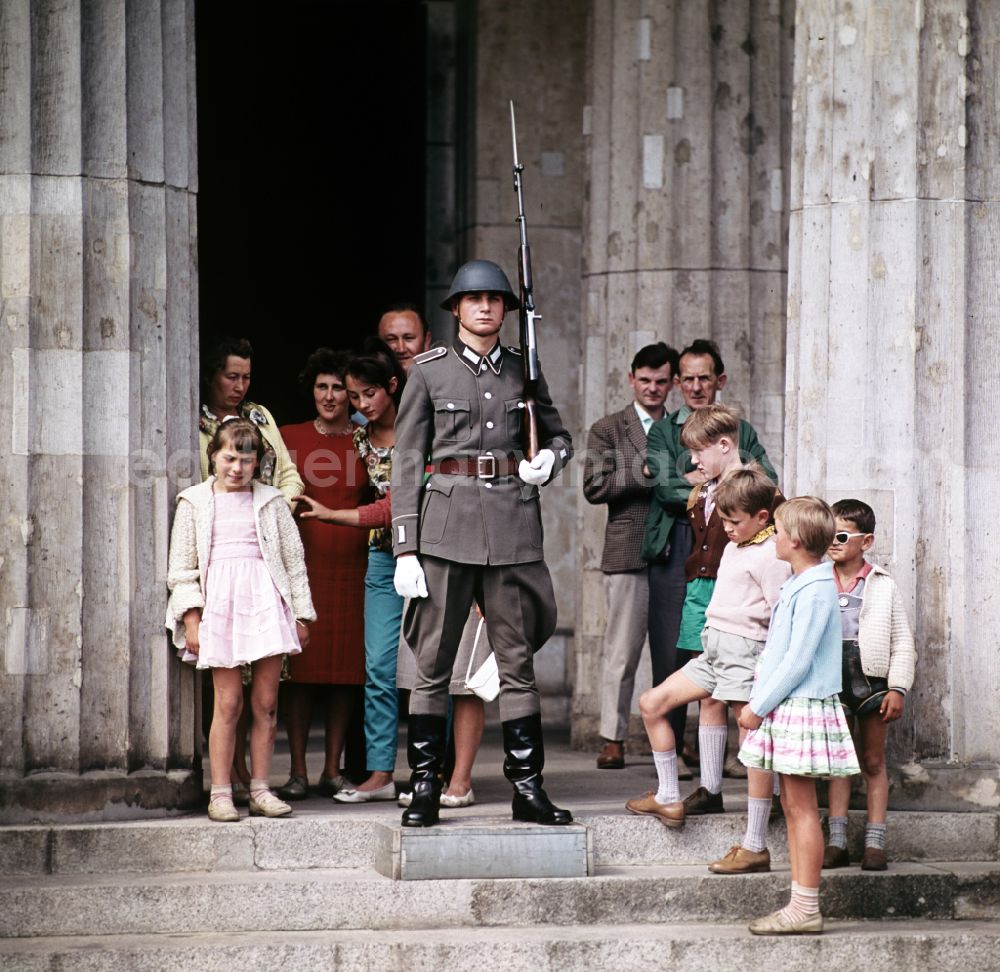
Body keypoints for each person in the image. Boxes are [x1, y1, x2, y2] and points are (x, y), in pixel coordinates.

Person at [391, 259, 573, 828]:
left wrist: (550, 459)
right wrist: (405, 546)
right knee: (433, 665)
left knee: (516, 665)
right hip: (446, 530)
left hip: (513, 527)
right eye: (475, 300)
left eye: (496, 300)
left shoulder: (526, 368)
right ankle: (425, 786)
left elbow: (559, 434)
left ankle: (528, 788)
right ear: (456, 310)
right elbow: (406, 461)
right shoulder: (429, 371)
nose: (487, 307)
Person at [625, 411, 781, 828]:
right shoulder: (704, 489)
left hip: (741, 600)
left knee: (740, 703)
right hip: (703, 591)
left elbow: (776, 554)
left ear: (725, 446)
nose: (693, 461)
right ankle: (710, 789)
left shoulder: (758, 490)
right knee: (706, 691)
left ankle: (771, 800)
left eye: (699, 452)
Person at [166, 420, 315, 822]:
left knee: (266, 703)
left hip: (265, 602)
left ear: (259, 463)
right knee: (228, 703)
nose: (237, 468)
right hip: (221, 606)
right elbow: (181, 569)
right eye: (229, 458)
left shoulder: (271, 502)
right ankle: (220, 792)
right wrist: (192, 619)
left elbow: (293, 563)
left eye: (246, 460)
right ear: (213, 455)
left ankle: (262, 788)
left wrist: (301, 613)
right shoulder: (194, 502)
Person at [643, 342, 777, 789]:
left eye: (706, 377)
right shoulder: (670, 438)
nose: (696, 386)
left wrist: (725, 489)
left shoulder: (738, 443)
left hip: (733, 578)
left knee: (737, 693)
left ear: (720, 380)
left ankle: (762, 787)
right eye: (688, 379)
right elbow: (665, 487)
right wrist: (704, 486)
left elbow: (766, 485)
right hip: (692, 567)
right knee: (692, 670)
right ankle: (698, 777)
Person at [738, 497, 861, 936]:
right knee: (792, 805)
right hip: (788, 705)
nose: (773, 535)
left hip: (801, 703)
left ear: (794, 539)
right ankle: (799, 902)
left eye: (779, 529)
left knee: (803, 808)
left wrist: (757, 705)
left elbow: (797, 660)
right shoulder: (801, 582)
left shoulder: (816, 588)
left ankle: (806, 906)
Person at [297, 342, 406, 803]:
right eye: (355, 396)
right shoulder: (359, 438)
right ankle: (380, 773)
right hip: (382, 558)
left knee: (429, 672)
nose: (359, 405)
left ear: (392, 388)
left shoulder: (425, 430)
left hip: (431, 553)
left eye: (367, 395)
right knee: (378, 668)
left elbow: (397, 504)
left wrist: (333, 515)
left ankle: (432, 771)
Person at [198, 337, 305, 802]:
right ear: (213, 376)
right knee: (228, 696)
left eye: (246, 376)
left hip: (264, 556)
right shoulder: (197, 419)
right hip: (221, 561)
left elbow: (286, 470)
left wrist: (283, 501)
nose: (240, 385)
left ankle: (256, 783)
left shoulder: (260, 417)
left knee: (264, 695)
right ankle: (230, 780)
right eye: (231, 376)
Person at [277, 349, 369, 800]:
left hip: (355, 563)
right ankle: (296, 771)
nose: (331, 396)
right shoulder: (286, 436)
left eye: (339, 389)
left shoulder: (367, 440)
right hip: (303, 561)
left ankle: (333, 770)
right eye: (322, 387)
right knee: (300, 671)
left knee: (346, 672)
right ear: (311, 390)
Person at [583, 342, 679, 770]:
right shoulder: (609, 428)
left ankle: (676, 737)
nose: (653, 388)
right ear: (631, 379)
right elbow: (594, 487)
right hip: (629, 549)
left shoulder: (682, 427)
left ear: (672, 383)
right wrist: (642, 473)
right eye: (645, 380)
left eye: (661, 381)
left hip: (676, 550)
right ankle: (612, 736)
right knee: (621, 650)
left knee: (677, 652)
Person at [823, 499, 916, 872]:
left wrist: (898, 688)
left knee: (873, 761)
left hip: (872, 682)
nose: (834, 541)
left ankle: (875, 842)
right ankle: (837, 840)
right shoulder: (817, 580)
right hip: (831, 680)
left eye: (842, 535)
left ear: (866, 541)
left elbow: (902, 641)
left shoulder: (881, 584)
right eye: (829, 534)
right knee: (839, 765)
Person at [377, 303, 432, 372]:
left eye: (409, 338)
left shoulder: (444, 380)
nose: (401, 349)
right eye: (391, 339)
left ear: (426, 341)